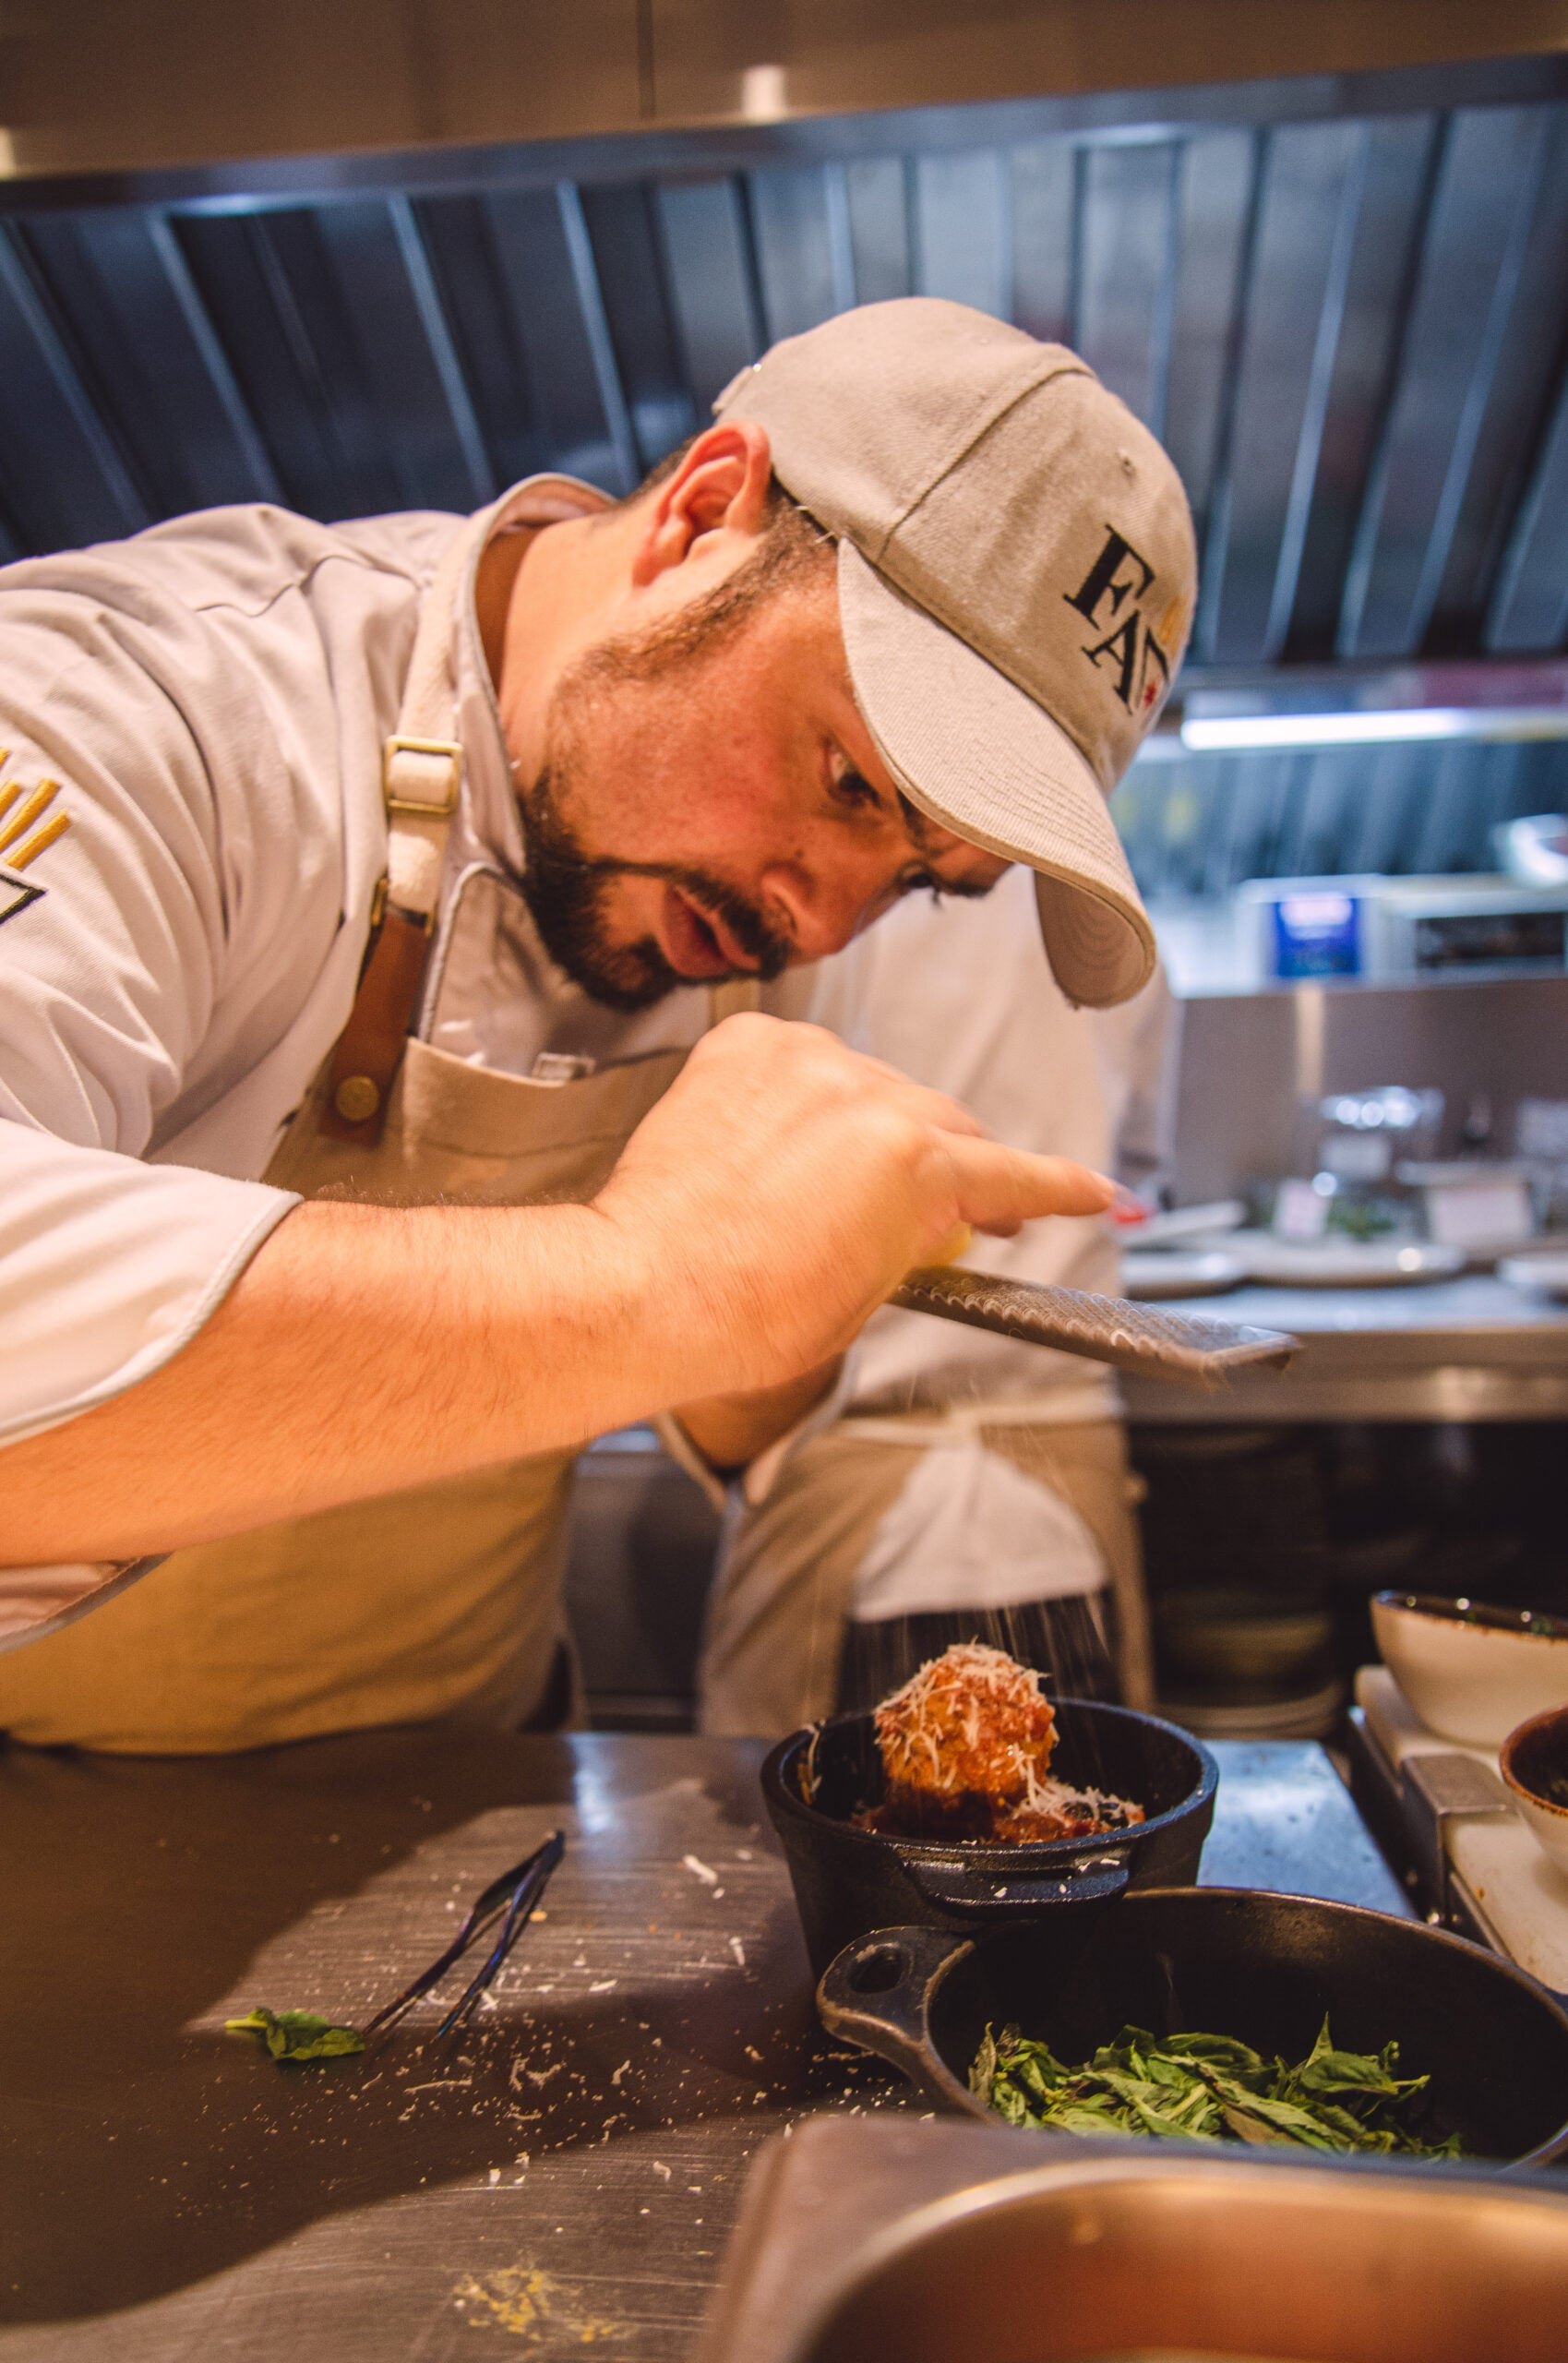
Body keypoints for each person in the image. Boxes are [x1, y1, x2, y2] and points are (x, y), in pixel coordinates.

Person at [0, 297, 1194, 1749]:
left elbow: (728, 1426)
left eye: (923, 884)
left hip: (470, 1813)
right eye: (846, 783)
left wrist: (806, 1282)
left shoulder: (744, 910)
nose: (821, 922)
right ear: (702, 512)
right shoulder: (154, 702)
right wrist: (651, 1277)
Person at [697, 870, 1173, 1737]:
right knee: (1081, 1842)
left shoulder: (807, 881)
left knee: (799, 1849)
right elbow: (1135, 1156)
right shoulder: (1107, 899)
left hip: (842, 1488)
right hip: (1056, 1507)